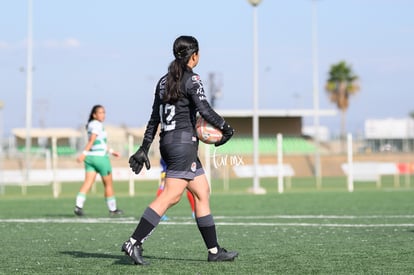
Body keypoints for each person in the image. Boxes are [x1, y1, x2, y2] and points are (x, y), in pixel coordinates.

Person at [121, 35, 237, 265]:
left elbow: (155, 117)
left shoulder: (163, 81)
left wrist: (144, 147)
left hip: (171, 143)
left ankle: (214, 251)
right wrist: (226, 128)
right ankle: (134, 242)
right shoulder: (192, 79)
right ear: (194, 55)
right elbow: (204, 108)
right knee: (171, 195)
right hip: (183, 146)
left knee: (202, 191)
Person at [74, 104, 123, 217]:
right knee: (108, 184)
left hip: (90, 158)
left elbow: (99, 143)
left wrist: (111, 151)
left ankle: (78, 206)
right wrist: (83, 153)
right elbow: (92, 140)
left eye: (104, 112)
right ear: (94, 114)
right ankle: (113, 209)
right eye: (100, 112)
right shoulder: (97, 125)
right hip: (100, 158)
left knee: (88, 183)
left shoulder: (91, 124)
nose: (103, 115)